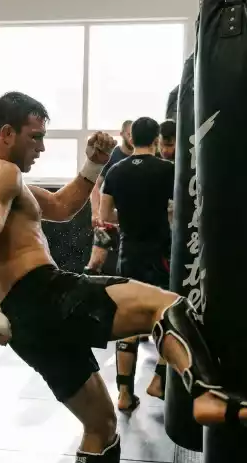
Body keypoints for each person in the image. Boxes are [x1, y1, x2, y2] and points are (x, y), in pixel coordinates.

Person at [0, 91, 247, 463]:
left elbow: (59, 206)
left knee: (102, 426)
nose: (41, 147)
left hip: (25, 324)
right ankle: (205, 395)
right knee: (167, 306)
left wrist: (93, 164)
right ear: (6, 133)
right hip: (43, 294)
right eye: (35, 137)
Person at [101, 117, 174, 412]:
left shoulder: (116, 171)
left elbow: (106, 215)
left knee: (128, 322)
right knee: (170, 315)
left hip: (128, 252)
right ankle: (159, 379)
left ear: (131, 139)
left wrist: (129, 218)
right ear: (156, 138)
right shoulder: (167, 169)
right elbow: (183, 209)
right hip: (160, 253)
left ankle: (124, 394)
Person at [84, 119, 133, 274]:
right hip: (110, 216)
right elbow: (95, 185)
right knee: (96, 261)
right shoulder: (114, 157)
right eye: (129, 134)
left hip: (132, 219)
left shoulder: (145, 157)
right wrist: (95, 212)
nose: (132, 138)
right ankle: (86, 291)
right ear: (122, 134)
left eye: (134, 135)